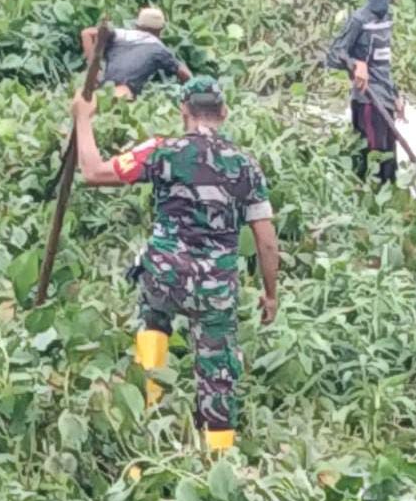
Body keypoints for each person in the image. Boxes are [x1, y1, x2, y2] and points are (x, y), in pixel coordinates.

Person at [70, 73, 279, 452]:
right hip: (216, 287)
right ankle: (218, 454)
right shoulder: (246, 166)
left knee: (153, 317)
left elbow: (94, 172)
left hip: (164, 276)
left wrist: (83, 118)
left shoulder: (162, 151)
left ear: (183, 110)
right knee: (217, 368)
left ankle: (149, 411)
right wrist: (270, 294)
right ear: (224, 112)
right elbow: (265, 241)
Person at [342, 0, 405, 184]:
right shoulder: (359, 20)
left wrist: (395, 94)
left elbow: (383, 64)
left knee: (389, 162)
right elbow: (336, 53)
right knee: (372, 161)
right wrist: (356, 64)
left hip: (385, 98)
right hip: (368, 100)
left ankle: (390, 200)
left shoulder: (386, 18)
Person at [80, 6, 191, 100]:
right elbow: (184, 74)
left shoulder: (121, 34)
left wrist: (93, 67)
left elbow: (86, 33)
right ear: (161, 30)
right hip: (124, 90)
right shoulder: (159, 49)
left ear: (137, 25)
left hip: (104, 85)